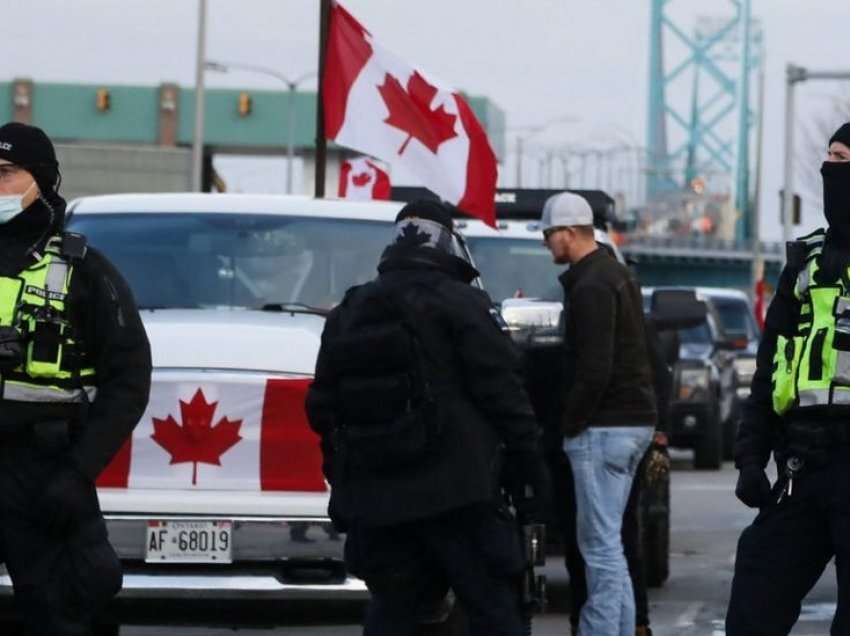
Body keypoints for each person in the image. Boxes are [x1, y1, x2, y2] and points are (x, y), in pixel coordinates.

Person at [306, 200, 548, 636]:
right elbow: (505, 396)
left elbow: (322, 407)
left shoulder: (350, 310)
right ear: (449, 241)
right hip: (459, 494)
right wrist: (531, 473)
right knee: (495, 611)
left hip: (377, 496)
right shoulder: (462, 303)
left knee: (392, 613)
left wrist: (344, 480)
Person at [0, 122, 152, 635]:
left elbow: (129, 379)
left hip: (45, 472)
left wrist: (79, 471)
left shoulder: (86, 272)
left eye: (5, 174)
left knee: (65, 615)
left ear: (41, 180)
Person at [726, 123, 850, 635]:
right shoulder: (805, 262)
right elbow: (770, 369)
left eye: (842, 159)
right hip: (804, 466)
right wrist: (752, 459)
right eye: (829, 159)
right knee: (756, 598)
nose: (830, 170)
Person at [541, 191, 657, 636]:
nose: (546, 243)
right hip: (633, 424)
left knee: (599, 547)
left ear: (570, 233)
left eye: (550, 234)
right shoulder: (617, 276)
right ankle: (623, 629)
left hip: (603, 427)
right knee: (612, 544)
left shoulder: (589, 286)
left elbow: (594, 367)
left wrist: (570, 423)